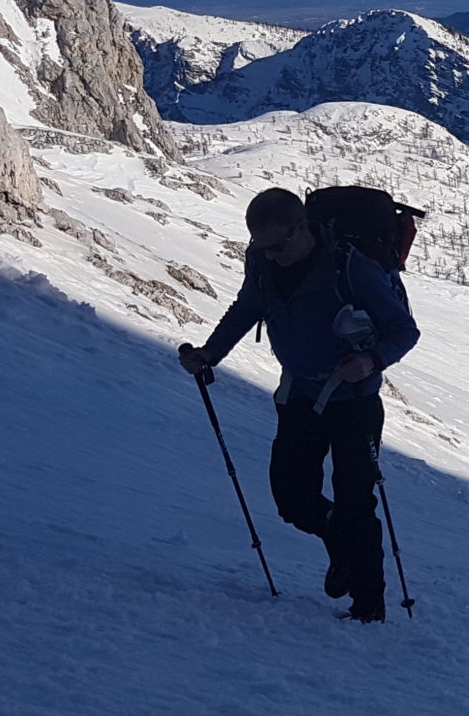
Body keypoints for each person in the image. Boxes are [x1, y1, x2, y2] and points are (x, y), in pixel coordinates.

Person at [178, 187, 421, 622]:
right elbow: (247, 307)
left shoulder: (350, 267)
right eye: (261, 247)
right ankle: (339, 542)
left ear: (302, 229)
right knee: (292, 498)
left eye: (277, 246)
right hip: (301, 396)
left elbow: (404, 330)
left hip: (355, 401)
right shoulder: (263, 263)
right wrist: (209, 354)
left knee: (356, 502)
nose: (270, 256)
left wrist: (369, 360)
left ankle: (369, 609)